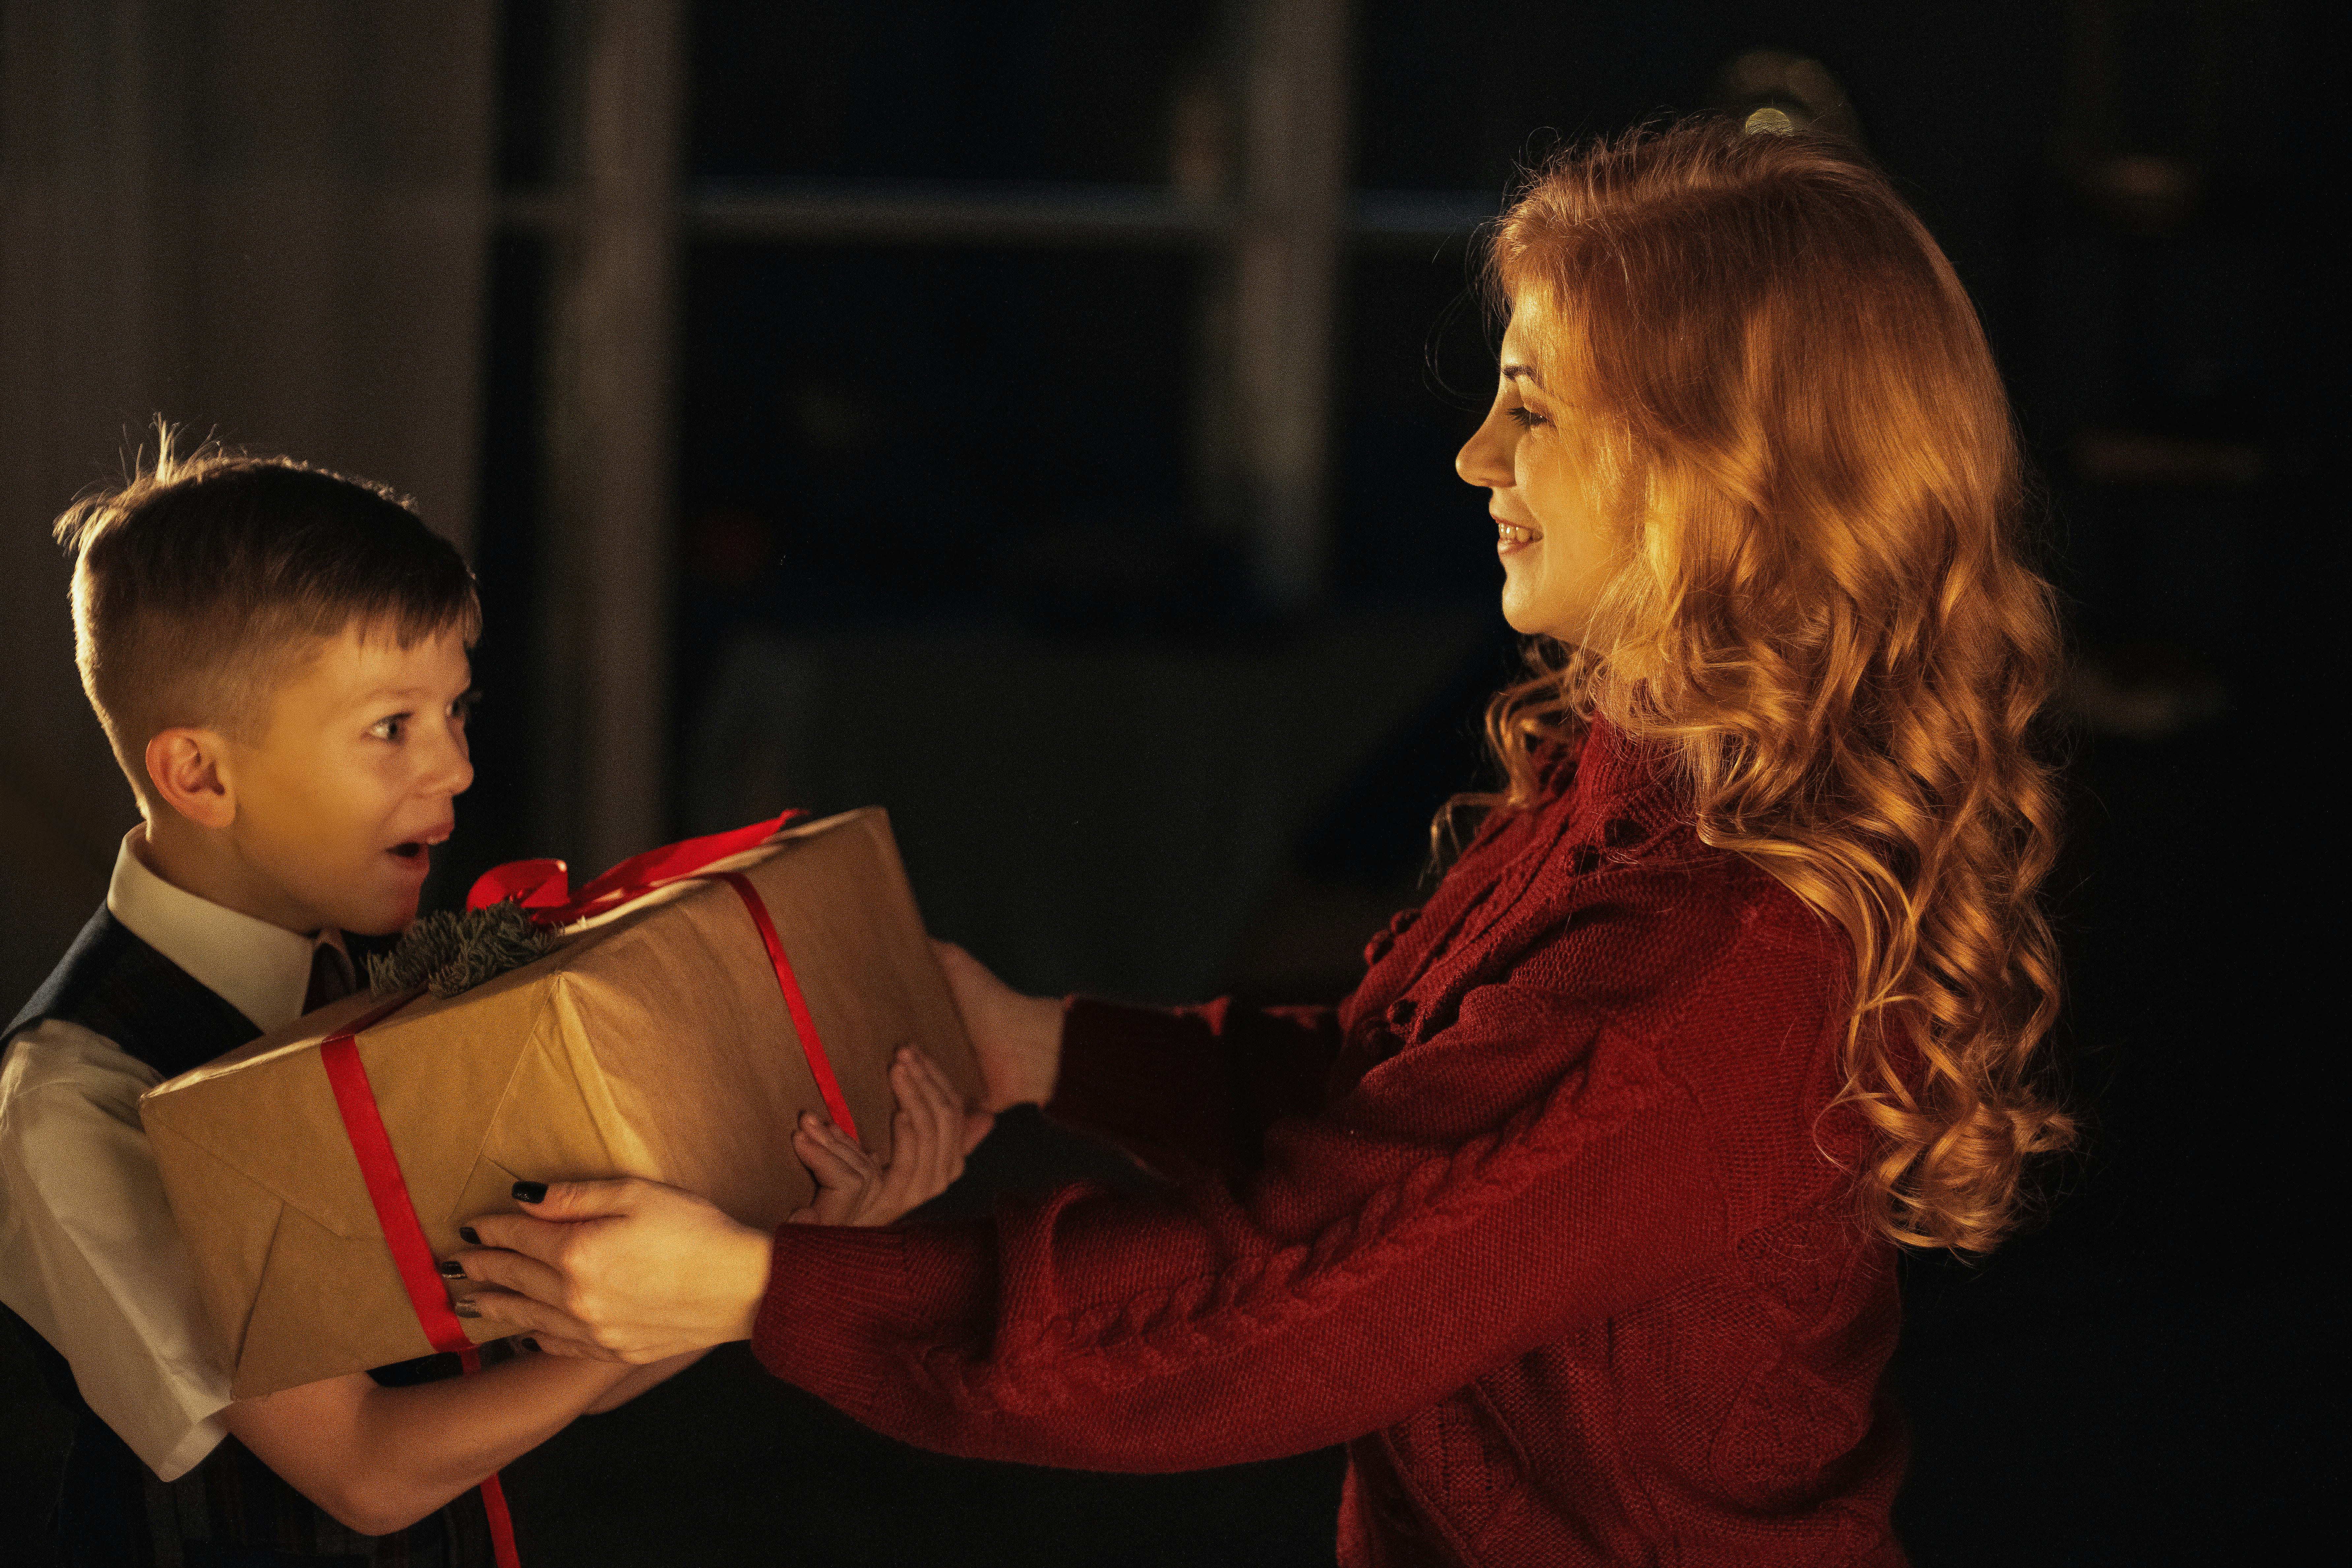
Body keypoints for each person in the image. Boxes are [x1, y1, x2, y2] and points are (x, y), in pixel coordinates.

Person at [455, 119, 2075, 1565]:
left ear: (1720, 474)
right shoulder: (1643, 788)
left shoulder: (1714, 956)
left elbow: (1284, 1304)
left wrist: (755, 1292)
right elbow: (1413, 1131)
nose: (1477, 461)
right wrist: (1049, 1050)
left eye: (1533, 411)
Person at [0, 441, 973, 1565]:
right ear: (200, 776)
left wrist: (795, 1248)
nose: (457, 768)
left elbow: (549, 1364)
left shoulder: (392, 979)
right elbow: (365, 1468)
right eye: (391, 728)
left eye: (455, 710)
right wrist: (668, 1291)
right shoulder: (79, 1092)